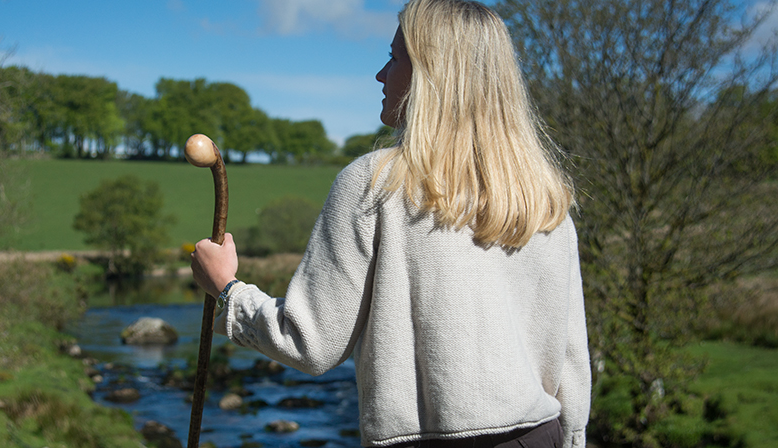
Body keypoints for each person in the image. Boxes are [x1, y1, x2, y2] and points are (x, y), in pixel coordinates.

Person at [190, 0, 591, 447]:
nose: (381, 75)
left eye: (394, 57)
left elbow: (310, 343)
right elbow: (572, 362)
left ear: (431, 72)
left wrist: (228, 289)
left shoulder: (375, 183)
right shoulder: (544, 198)